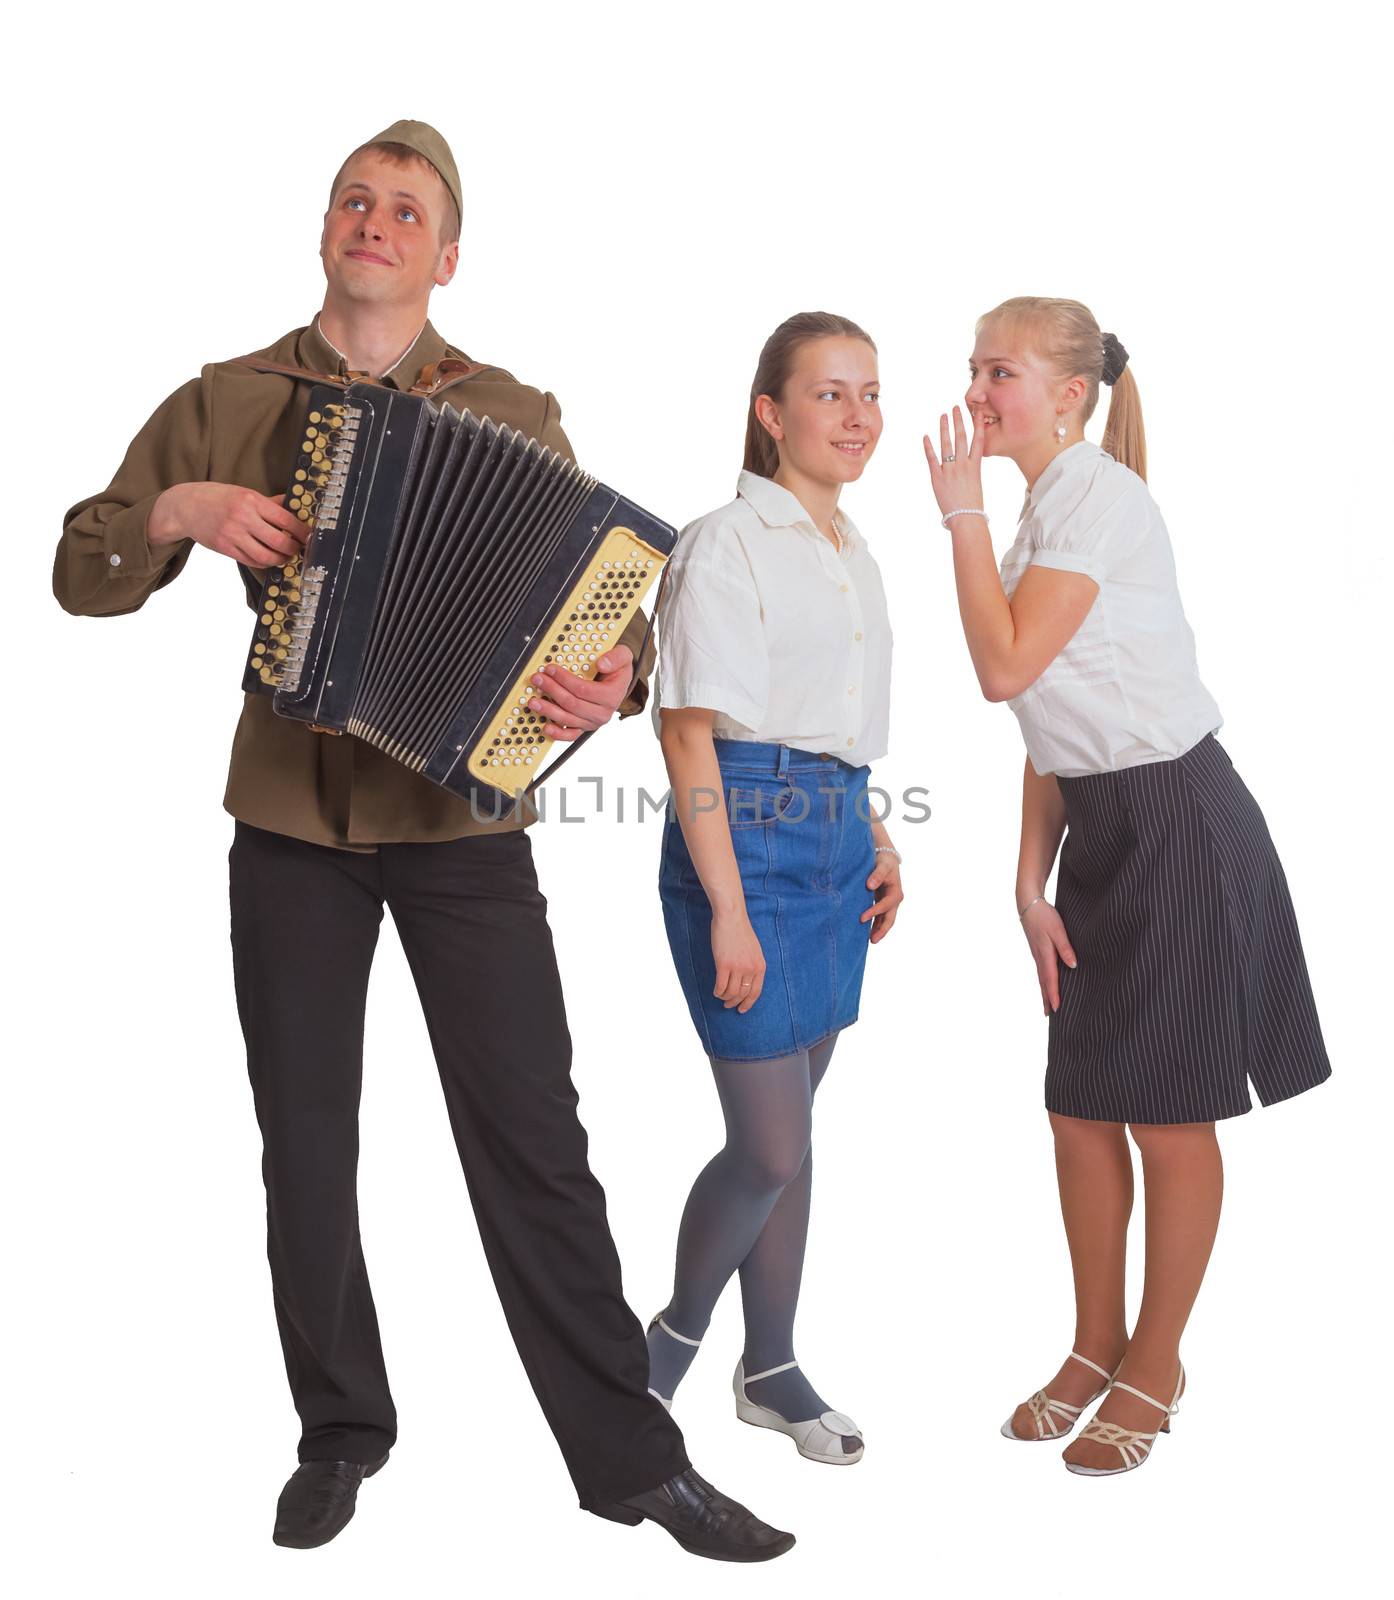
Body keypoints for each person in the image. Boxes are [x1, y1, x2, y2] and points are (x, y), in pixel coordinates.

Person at [54, 119, 793, 1562]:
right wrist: (178, 510)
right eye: (354, 200)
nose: (374, 222)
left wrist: (616, 676)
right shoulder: (225, 398)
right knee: (308, 1143)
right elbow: (82, 570)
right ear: (323, 230)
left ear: (445, 256)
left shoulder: (511, 410)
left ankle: (631, 1462)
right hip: (286, 822)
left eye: (405, 209)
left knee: (533, 1140)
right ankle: (341, 1431)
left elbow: (608, 610)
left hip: (461, 825)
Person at [923, 295, 1331, 1475]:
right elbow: (1049, 730)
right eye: (971, 369)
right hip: (1104, 831)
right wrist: (1024, 881)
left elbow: (1002, 667)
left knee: (1165, 1110)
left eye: (995, 372)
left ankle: (1156, 1357)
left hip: (1179, 826)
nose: (975, 392)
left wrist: (955, 516)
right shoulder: (1045, 509)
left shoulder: (1094, 498)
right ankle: (1092, 1341)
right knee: (1077, 1103)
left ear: (1067, 394)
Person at [646, 312, 901, 1466]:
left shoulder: (853, 554)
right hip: (739, 838)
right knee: (767, 1146)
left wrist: (878, 833)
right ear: (770, 413)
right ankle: (659, 1354)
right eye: (829, 394)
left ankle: (774, 1366)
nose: (857, 418)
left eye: (869, 394)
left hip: (835, 842)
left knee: (793, 1134)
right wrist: (732, 910)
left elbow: (834, 732)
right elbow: (689, 737)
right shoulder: (722, 541)